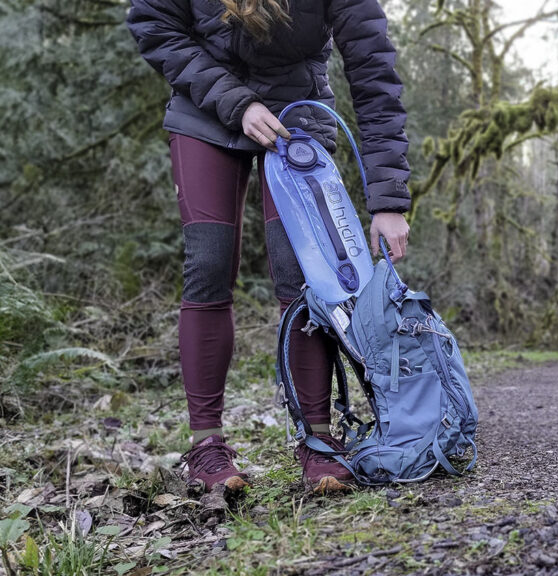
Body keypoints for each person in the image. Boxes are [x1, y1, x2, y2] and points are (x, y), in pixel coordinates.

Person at [127, 0, 411, 493]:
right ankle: (207, 445)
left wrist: (387, 201)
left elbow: (373, 73)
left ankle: (317, 439)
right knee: (209, 262)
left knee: (303, 276)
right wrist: (237, 102)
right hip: (205, 109)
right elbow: (156, 24)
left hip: (298, 112)